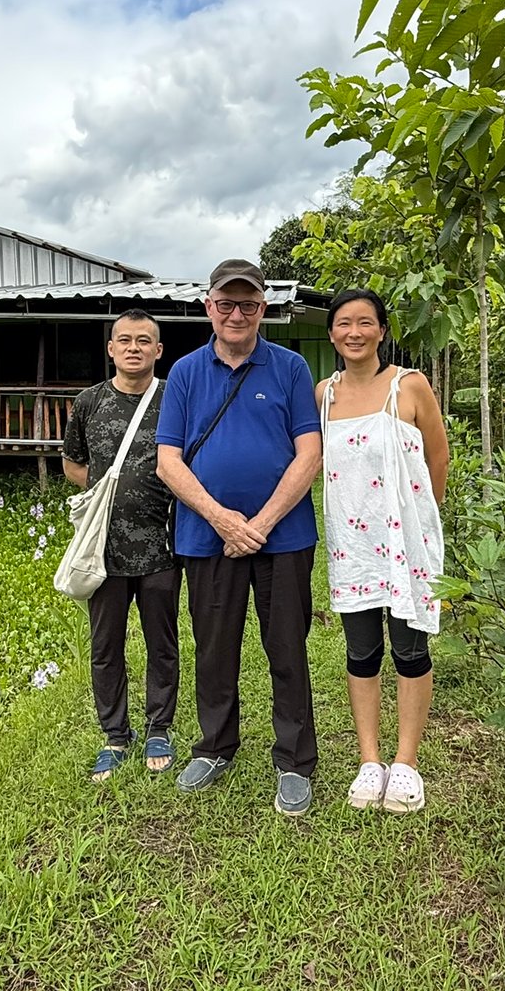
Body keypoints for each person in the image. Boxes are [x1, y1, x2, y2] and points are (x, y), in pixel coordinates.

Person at [156, 259, 323, 816]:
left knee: (287, 647)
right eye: (225, 304)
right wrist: (224, 520)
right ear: (208, 307)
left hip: (285, 535)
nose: (236, 314)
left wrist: (261, 524)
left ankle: (295, 760)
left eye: (248, 304)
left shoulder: (291, 368)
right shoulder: (184, 372)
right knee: (214, 647)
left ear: (263, 310)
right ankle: (215, 746)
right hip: (207, 538)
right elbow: (168, 462)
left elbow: (309, 454)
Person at [315, 289, 449, 813]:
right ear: (332, 333)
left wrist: (420, 526)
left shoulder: (409, 386)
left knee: (411, 653)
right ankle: (370, 760)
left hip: (405, 547)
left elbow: (438, 459)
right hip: (353, 549)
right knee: (361, 652)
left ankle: (407, 762)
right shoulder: (323, 394)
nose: (354, 331)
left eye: (365, 322)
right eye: (344, 323)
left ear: (382, 330)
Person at [62, 309, 181, 782]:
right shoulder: (89, 402)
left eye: (144, 341)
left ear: (158, 350)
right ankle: (115, 735)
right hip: (102, 553)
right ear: (111, 349)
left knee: (162, 643)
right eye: (125, 340)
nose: (134, 348)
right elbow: (73, 464)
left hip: (161, 549)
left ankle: (159, 729)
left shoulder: (174, 398)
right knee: (105, 646)